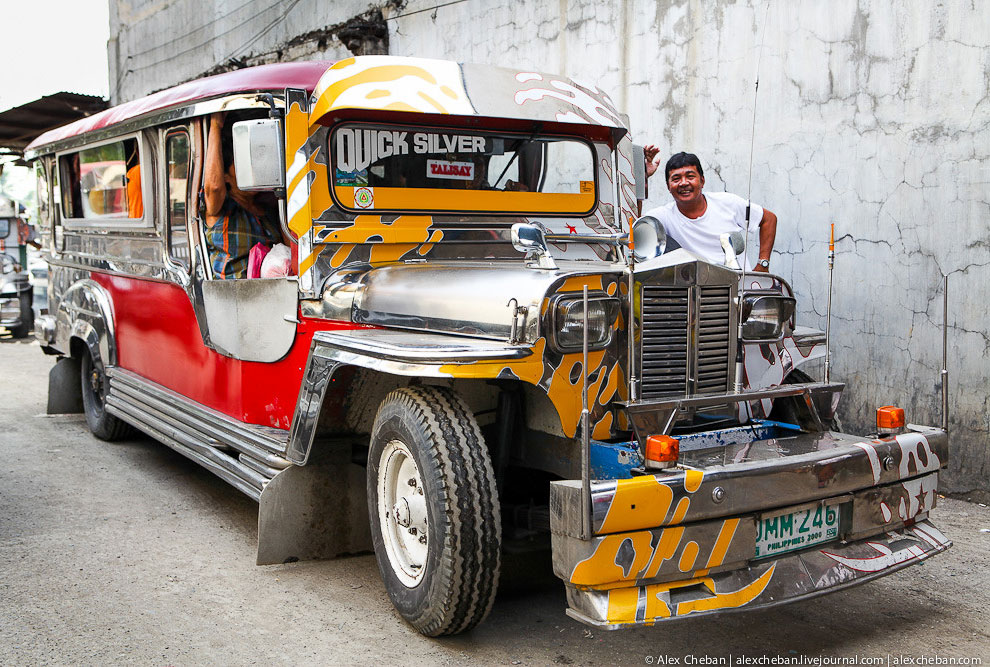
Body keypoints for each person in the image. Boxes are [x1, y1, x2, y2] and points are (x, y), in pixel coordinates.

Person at [643, 148, 777, 272]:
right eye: (676, 179)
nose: (684, 183)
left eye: (690, 176)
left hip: (739, 289)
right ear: (668, 186)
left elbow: (768, 219)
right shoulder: (664, 216)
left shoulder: (728, 203)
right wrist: (643, 179)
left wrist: (762, 264)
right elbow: (635, 230)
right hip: (696, 292)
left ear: (702, 181)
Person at [203, 112, 283, 279]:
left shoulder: (269, 211)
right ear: (225, 175)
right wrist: (215, 126)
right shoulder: (220, 209)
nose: (252, 170)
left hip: (270, 295)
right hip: (232, 297)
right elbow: (215, 187)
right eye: (241, 164)